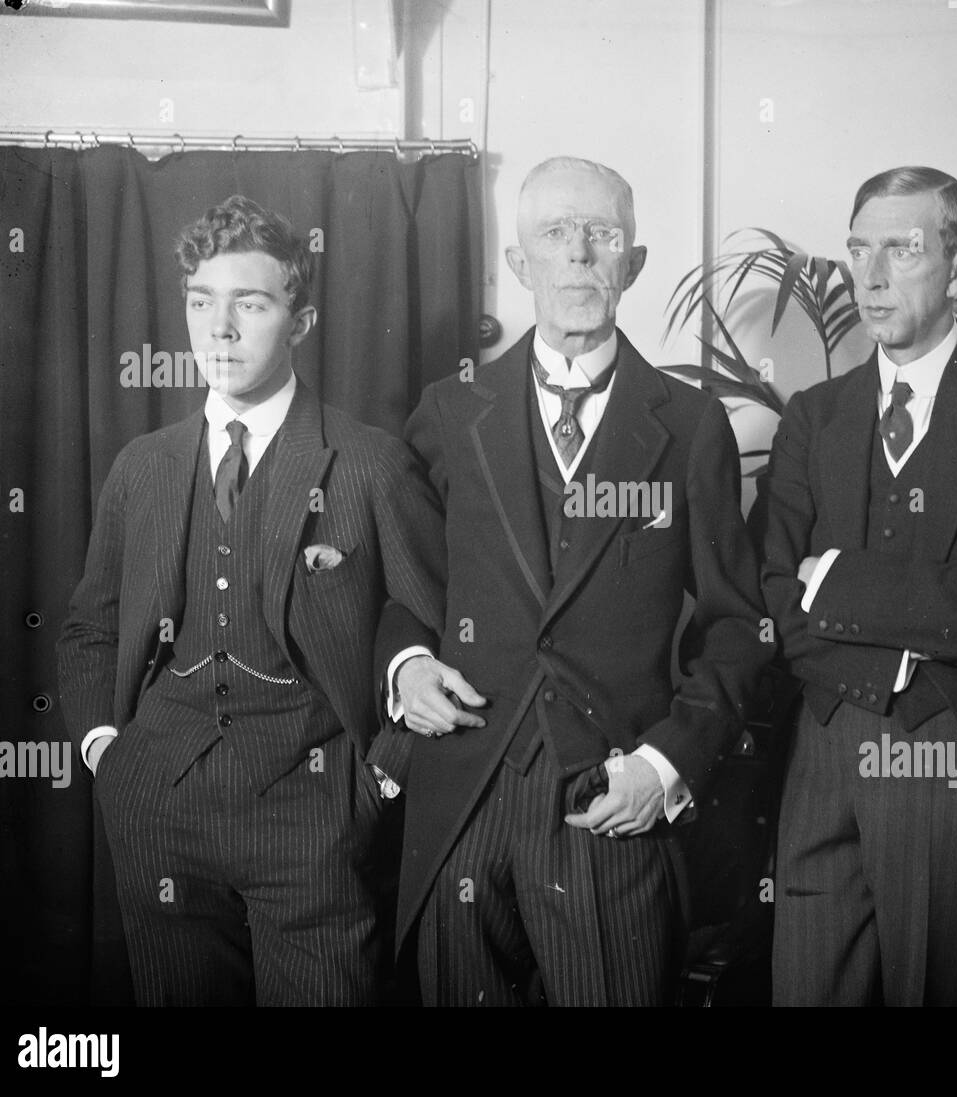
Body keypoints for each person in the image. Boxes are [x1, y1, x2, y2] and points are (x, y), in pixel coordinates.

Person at [366, 156, 770, 1006]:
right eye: (555, 233)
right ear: (520, 265)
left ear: (634, 262)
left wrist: (665, 764)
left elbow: (740, 625)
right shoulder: (448, 411)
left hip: (607, 807)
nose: (580, 254)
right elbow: (403, 587)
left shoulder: (692, 428)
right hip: (461, 800)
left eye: (603, 235)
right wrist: (405, 666)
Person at [57, 195, 430, 1005]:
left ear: (300, 322)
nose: (218, 329)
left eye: (250, 304)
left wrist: (382, 784)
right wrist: (103, 754)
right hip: (159, 808)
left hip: (317, 818)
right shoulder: (143, 467)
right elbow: (90, 625)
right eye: (201, 303)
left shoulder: (369, 464)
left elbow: (437, 633)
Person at [762, 166, 957, 1006]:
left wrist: (833, 576)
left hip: (947, 751)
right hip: (822, 749)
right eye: (859, 249)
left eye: (902, 249)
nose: (869, 276)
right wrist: (934, 592)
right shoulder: (812, 417)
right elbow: (774, 593)